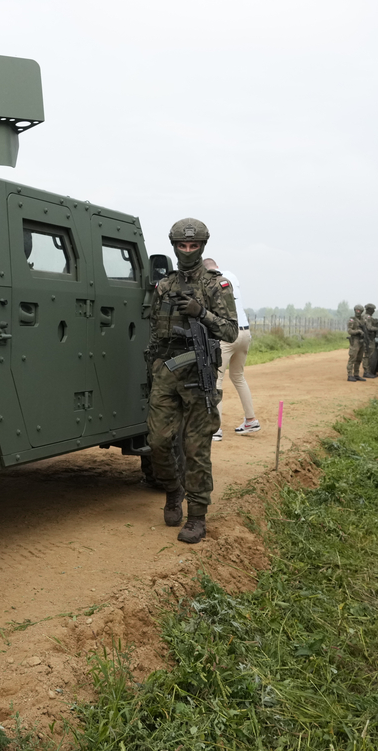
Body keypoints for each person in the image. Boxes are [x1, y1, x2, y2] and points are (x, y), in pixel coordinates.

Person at [147, 219, 239, 543]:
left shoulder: (216, 285)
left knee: (196, 447)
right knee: (158, 441)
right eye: (182, 245)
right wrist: (154, 368)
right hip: (165, 373)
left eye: (193, 245)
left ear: (202, 246)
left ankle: (197, 516)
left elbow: (231, 331)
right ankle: (173, 490)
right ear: (174, 246)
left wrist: (202, 313)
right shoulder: (164, 286)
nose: (187, 251)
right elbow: (154, 331)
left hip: (198, 374)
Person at [201, 257, 257, 440]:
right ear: (217, 266)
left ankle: (215, 429)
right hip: (244, 333)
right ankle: (251, 420)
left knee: (216, 379)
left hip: (227, 335)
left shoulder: (208, 282)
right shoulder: (231, 276)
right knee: (238, 376)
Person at [346, 304, 366, 382]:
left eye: (359, 311)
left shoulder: (363, 320)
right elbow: (349, 331)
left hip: (362, 341)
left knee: (359, 359)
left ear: (361, 311)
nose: (358, 312)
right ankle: (350, 375)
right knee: (352, 358)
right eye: (357, 310)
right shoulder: (352, 320)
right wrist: (357, 331)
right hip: (355, 341)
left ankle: (356, 374)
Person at [362, 302, 378, 378]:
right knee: (368, 356)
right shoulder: (368, 317)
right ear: (370, 310)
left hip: (366, 338)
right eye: (373, 310)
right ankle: (366, 372)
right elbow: (369, 328)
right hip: (369, 339)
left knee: (367, 355)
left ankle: (367, 371)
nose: (374, 311)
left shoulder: (363, 316)